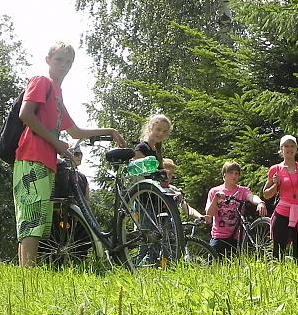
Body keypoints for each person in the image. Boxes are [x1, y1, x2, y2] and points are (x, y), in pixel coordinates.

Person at [15, 41, 125, 267]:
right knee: (31, 219)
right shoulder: (41, 82)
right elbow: (26, 114)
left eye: (68, 62)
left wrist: (109, 131)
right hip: (31, 157)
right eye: (59, 60)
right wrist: (57, 142)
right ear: (48, 60)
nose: (63, 65)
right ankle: (27, 277)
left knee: (38, 220)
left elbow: (75, 131)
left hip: (47, 162)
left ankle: (28, 274)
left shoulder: (57, 94)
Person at [132, 113, 204, 221]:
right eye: (158, 129)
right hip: (145, 201)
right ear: (151, 127)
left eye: (164, 131)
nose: (161, 133)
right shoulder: (142, 148)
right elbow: (136, 172)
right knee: (149, 236)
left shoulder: (157, 151)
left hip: (157, 200)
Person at [262, 135, 298, 260]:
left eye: (292, 146)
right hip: (283, 212)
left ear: (296, 149)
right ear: (281, 149)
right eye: (286, 146)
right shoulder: (275, 169)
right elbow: (266, 194)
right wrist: (275, 184)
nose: (289, 149)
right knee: (278, 251)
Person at [205, 161, 268, 256]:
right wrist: (216, 199)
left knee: (236, 265)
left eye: (236, 173)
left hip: (237, 237)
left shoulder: (242, 190)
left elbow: (251, 197)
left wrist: (260, 202)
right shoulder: (214, 191)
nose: (234, 176)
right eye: (231, 173)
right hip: (219, 236)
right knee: (213, 263)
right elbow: (209, 215)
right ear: (224, 174)